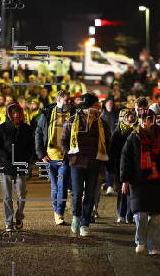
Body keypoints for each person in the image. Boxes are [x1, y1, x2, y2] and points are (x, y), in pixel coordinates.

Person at [121, 109, 160, 255]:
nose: (145, 122)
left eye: (148, 119)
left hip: (158, 181)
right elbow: (126, 159)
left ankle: (154, 246)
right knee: (140, 215)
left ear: (153, 120)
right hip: (139, 181)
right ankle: (141, 242)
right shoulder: (133, 136)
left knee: (156, 217)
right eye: (143, 119)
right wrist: (125, 180)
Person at [61, 93, 110, 237]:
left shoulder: (102, 123)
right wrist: (69, 155)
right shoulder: (72, 121)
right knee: (77, 193)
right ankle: (76, 216)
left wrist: (105, 159)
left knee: (90, 195)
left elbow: (108, 142)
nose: (99, 108)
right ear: (88, 107)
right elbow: (64, 140)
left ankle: (85, 223)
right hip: (76, 163)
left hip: (95, 163)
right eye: (96, 105)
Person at [0, 103, 35, 232]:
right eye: (13, 112)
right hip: (7, 165)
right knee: (7, 195)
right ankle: (8, 222)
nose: (16, 115)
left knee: (21, 194)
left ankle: (19, 216)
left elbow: (32, 146)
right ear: (9, 114)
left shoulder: (27, 129)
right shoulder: (1, 129)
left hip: (22, 165)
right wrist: (3, 157)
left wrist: (29, 161)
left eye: (18, 112)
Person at [35, 90, 73, 225]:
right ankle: (56, 210)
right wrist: (41, 154)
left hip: (65, 158)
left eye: (69, 100)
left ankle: (59, 213)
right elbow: (39, 133)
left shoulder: (72, 114)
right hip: (50, 157)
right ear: (59, 100)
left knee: (62, 186)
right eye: (66, 100)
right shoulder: (47, 114)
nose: (69, 102)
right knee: (55, 187)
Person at [111, 108, 135, 223]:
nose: (132, 118)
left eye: (132, 116)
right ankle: (121, 213)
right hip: (120, 166)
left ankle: (129, 215)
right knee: (122, 190)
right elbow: (113, 151)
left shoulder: (135, 130)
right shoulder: (117, 132)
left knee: (131, 190)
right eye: (129, 116)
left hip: (132, 165)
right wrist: (113, 167)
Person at [100, 97, 119, 195]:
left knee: (112, 165)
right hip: (105, 143)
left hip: (114, 143)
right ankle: (108, 184)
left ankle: (111, 185)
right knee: (106, 166)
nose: (110, 105)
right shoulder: (101, 115)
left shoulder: (116, 114)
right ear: (105, 104)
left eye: (112, 103)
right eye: (108, 103)